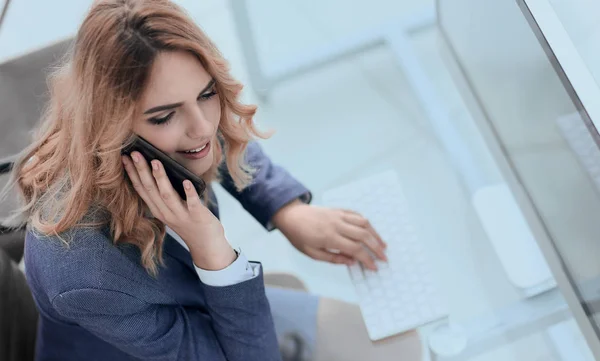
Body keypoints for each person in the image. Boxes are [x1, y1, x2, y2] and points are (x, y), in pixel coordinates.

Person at [1, 0, 422, 360]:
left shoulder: (159, 133)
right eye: (165, 116)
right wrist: (214, 253)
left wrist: (286, 209)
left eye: (207, 94)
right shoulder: (81, 271)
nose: (203, 128)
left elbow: (212, 139)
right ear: (110, 123)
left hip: (208, 309)